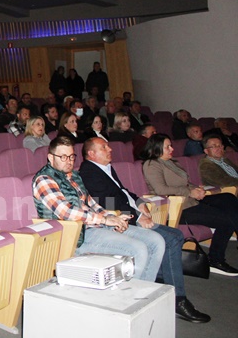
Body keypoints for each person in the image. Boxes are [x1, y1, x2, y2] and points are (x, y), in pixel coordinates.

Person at [79, 138, 210, 323]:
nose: (110, 149)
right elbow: (105, 202)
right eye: (104, 147)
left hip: (130, 213)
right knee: (171, 239)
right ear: (91, 154)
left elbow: (122, 191)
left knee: (176, 235)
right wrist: (137, 216)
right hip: (120, 220)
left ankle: (161, 277)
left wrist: (139, 201)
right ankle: (178, 299)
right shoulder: (89, 172)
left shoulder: (105, 167)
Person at [33, 136, 164, 283]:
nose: (69, 161)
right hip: (76, 236)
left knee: (156, 241)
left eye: (71, 156)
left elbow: (92, 203)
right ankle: (130, 295)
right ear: (51, 157)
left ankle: (143, 290)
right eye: (63, 157)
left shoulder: (74, 176)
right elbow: (66, 212)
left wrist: (113, 219)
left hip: (96, 226)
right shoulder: (44, 179)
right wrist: (105, 220)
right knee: (137, 250)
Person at [142, 134, 238, 275]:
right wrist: (190, 191)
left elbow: (185, 183)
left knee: (228, 198)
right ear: (156, 148)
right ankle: (215, 260)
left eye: (171, 145)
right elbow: (160, 189)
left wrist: (196, 189)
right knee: (226, 220)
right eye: (167, 147)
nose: (172, 149)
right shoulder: (151, 164)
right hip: (176, 207)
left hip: (189, 199)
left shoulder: (172, 162)